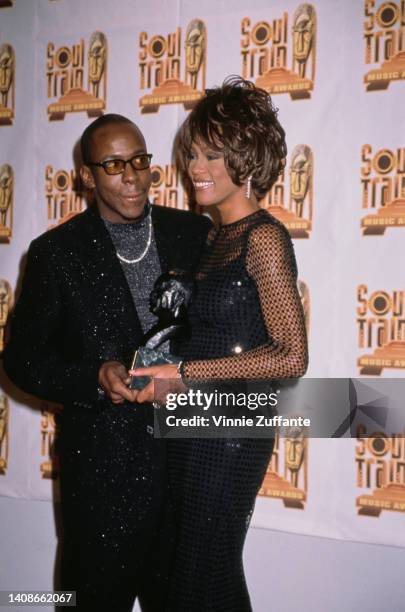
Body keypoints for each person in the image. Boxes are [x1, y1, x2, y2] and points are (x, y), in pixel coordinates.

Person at [3, 113, 212, 611]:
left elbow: (220, 332)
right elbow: (23, 360)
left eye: (140, 160)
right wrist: (94, 377)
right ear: (86, 177)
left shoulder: (192, 233)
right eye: (115, 165)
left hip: (185, 468)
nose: (133, 176)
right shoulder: (56, 253)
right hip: (100, 477)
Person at [131, 77, 308, 611]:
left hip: (233, 429)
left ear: (247, 159)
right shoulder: (210, 238)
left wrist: (186, 376)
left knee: (202, 574)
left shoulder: (264, 238)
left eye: (213, 154)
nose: (197, 167)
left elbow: (291, 355)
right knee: (190, 577)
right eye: (193, 153)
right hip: (190, 419)